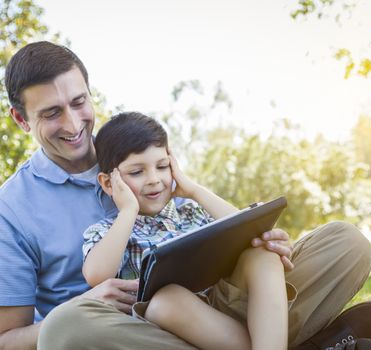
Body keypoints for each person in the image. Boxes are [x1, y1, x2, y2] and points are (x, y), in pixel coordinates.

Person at [0, 40, 371, 350]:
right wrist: (86, 301)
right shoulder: (8, 210)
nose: (74, 124)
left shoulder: (133, 149)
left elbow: (215, 227)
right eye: (52, 113)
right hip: (126, 332)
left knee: (345, 243)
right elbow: (5, 342)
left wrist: (265, 242)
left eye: (79, 102)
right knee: (65, 328)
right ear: (21, 119)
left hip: (214, 307)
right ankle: (316, 342)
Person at [82, 112, 289, 350]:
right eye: (137, 172)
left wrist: (193, 190)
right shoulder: (109, 231)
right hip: (166, 327)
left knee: (263, 254)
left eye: (162, 167)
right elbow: (96, 275)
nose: (154, 179)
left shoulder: (192, 211)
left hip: (220, 307)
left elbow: (247, 230)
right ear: (109, 183)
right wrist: (128, 210)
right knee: (166, 300)